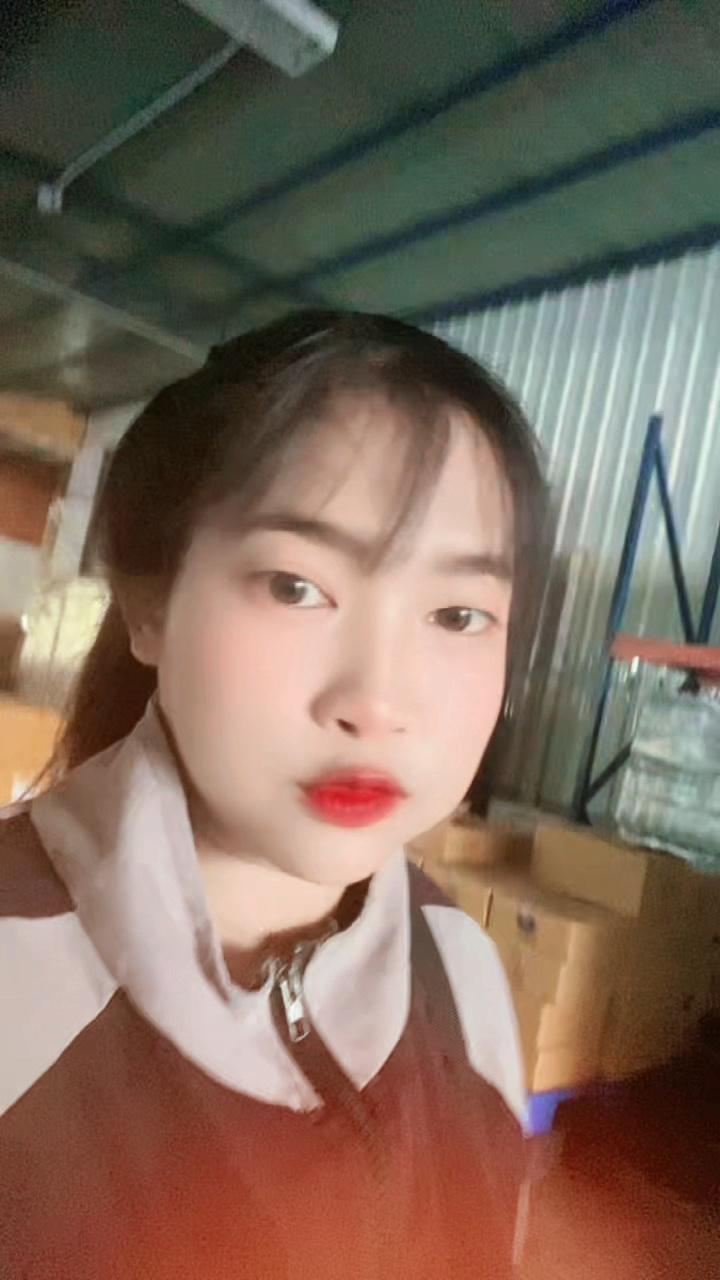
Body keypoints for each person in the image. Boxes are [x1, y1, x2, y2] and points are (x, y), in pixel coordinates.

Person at [0, 310, 547, 1279]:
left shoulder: (462, 976)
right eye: (296, 586)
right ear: (149, 600)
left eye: (459, 613)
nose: (377, 701)